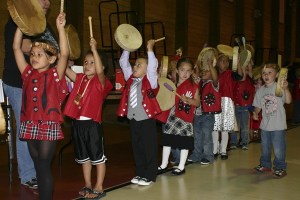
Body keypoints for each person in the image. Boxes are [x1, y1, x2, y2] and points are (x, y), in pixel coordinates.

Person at [13, 12, 69, 200]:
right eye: (33, 54)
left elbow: (65, 54)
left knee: (44, 165)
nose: (34, 57)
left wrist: (60, 29)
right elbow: (15, 48)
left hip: (48, 124)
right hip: (30, 124)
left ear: (51, 59)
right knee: (38, 164)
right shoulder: (27, 73)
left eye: (40, 55)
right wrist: (21, 26)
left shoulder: (55, 75)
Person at [2, 0, 57, 189]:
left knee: (37, 128)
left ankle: (40, 170)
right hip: (19, 82)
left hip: (41, 84)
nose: (47, 2)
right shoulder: (18, 23)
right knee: (25, 129)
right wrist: (49, 52)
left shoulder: (44, 26)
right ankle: (28, 175)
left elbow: (55, 50)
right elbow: (25, 48)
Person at [63, 37, 112, 198]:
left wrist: (95, 50)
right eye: (85, 62)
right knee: (84, 158)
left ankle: (99, 187)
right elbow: (65, 70)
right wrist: (60, 56)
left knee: (98, 158)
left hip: (92, 126)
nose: (87, 65)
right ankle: (88, 184)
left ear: (101, 66)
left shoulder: (101, 82)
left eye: (92, 62)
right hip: (78, 125)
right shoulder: (80, 79)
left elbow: (99, 71)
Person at [117, 40, 161, 186]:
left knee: (149, 147)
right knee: (137, 147)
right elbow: (124, 62)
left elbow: (153, 66)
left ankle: (150, 175)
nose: (135, 66)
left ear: (146, 69)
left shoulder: (151, 80)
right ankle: (140, 173)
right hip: (134, 119)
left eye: (139, 65)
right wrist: (127, 48)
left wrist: (150, 49)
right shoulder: (130, 79)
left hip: (147, 119)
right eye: (135, 64)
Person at [158, 57, 200, 175]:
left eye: (188, 71)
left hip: (185, 117)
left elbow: (197, 102)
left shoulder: (193, 86)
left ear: (192, 72)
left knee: (183, 142)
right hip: (172, 116)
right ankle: (164, 164)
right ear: (177, 70)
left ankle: (181, 166)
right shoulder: (172, 84)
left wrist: (189, 100)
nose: (185, 73)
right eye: (182, 70)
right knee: (167, 140)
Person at [253, 63, 292, 178]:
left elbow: (288, 101)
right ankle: (265, 164)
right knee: (264, 147)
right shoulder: (260, 91)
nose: (266, 75)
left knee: (279, 148)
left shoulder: (279, 87)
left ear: (277, 75)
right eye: (264, 73)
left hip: (278, 125)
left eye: (270, 72)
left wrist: (286, 89)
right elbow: (258, 105)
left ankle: (280, 167)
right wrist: (255, 113)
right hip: (265, 125)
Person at [188, 51, 221, 165]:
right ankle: (197, 154)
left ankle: (208, 156)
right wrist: (199, 61)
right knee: (197, 135)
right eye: (203, 71)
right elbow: (195, 74)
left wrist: (210, 65)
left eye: (207, 71)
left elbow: (215, 76)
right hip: (197, 114)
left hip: (208, 115)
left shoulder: (214, 83)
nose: (204, 73)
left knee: (207, 136)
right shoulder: (199, 82)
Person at [212, 53, 243, 160]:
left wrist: (238, 62)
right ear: (217, 62)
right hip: (215, 101)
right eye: (223, 61)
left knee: (225, 128)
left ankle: (224, 150)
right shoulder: (213, 73)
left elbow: (240, 75)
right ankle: (214, 149)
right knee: (215, 127)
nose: (225, 63)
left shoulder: (230, 73)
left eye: (227, 61)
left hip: (227, 102)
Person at [230, 59, 255, 150]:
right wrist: (240, 63)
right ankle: (233, 142)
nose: (245, 71)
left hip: (245, 106)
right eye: (244, 69)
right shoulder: (237, 79)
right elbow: (242, 75)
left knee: (244, 126)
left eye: (247, 69)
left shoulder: (250, 79)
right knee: (235, 126)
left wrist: (247, 61)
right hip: (236, 105)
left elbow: (249, 71)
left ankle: (244, 142)